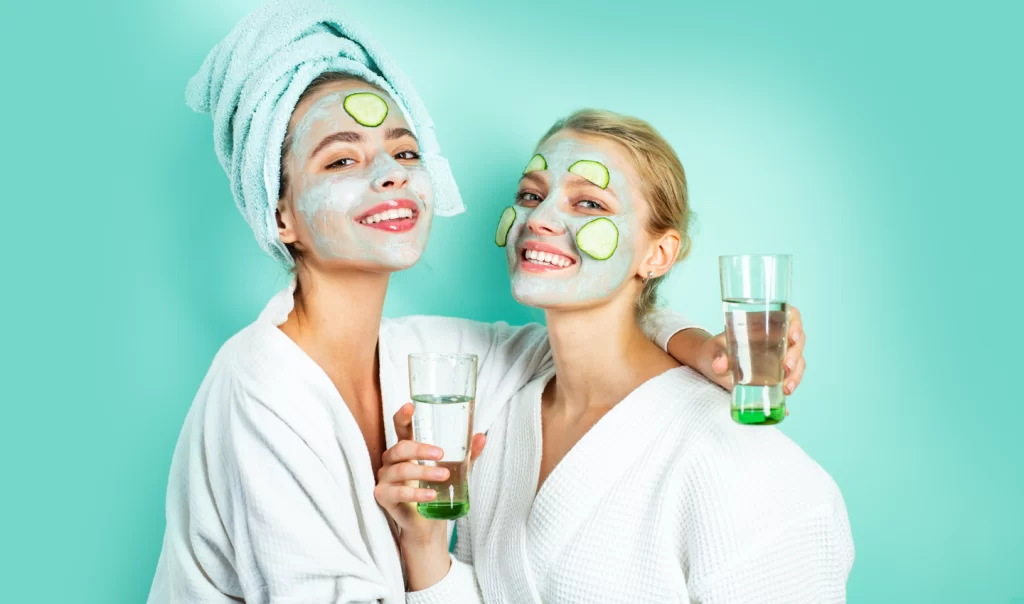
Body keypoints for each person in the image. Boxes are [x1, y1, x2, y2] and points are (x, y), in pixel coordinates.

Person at [147, 4, 810, 603]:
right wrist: (425, 550)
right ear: (280, 213)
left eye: (405, 151)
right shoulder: (262, 384)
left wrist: (703, 347)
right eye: (340, 161)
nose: (389, 173)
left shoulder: (438, 364)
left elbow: (593, 353)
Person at [375, 110, 850, 604]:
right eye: (530, 196)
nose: (538, 219)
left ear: (659, 255)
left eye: (589, 203)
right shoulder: (496, 413)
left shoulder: (740, 460)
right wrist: (425, 544)